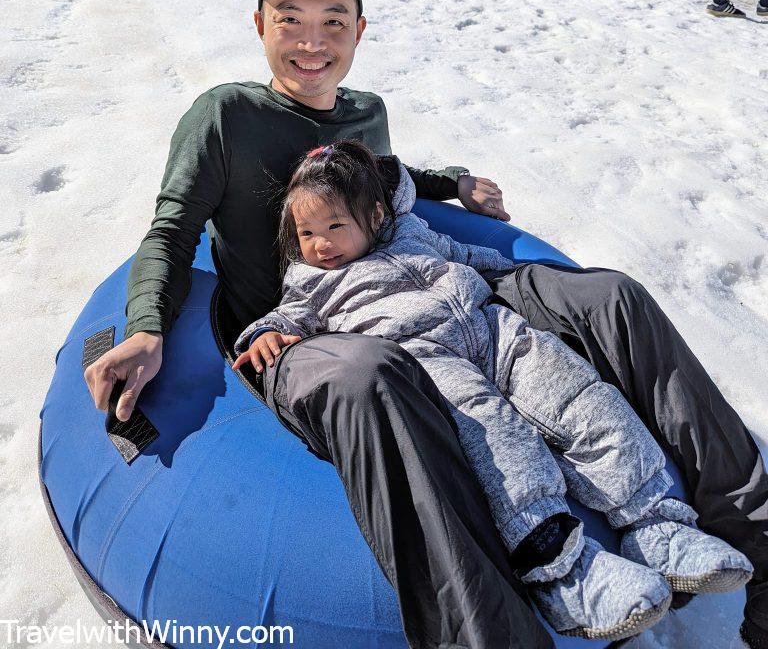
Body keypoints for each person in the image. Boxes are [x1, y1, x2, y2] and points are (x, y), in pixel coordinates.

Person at [83, 0, 768, 649]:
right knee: (370, 376)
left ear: (360, 31)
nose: (312, 41)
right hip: (301, 332)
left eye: (334, 21)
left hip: (423, 290)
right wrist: (145, 328)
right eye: (290, 20)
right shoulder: (225, 115)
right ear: (259, 25)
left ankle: (750, 543)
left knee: (611, 297)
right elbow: (170, 230)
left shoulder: (365, 112)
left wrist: (454, 184)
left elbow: (386, 174)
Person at [232, 139, 752, 641]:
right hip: (425, 360)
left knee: (581, 398)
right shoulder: (311, 282)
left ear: (375, 216)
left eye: (334, 226)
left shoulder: (412, 234)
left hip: (492, 330)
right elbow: (287, 316)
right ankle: (564, 573)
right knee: (498, 441)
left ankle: (658, 525)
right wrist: (266, 334)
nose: (319, 244)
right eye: (305, 233)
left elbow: (469, 254)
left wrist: (531, 276)